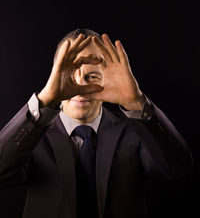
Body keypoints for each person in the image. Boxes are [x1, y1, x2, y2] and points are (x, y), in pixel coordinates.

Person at [0, 28, 193, 218]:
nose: (80, 86)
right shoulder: (32, 134)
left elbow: (176, 169)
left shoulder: (136, 130)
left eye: (92, 76)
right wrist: (43, 102)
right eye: (69, 75)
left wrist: (137, 103)